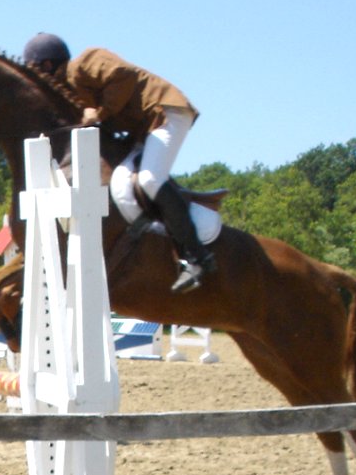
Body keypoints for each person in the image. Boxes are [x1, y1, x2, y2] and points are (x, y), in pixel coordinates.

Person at [24, 33, 216, 294]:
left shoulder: (85, 62)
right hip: (144, 129)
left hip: (165, 112)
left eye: (36, 71)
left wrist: (100, 113)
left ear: (48, 65)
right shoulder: (72, 88)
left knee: (149, 178)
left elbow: (123, 75)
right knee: (127, 178)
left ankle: (197, 257)